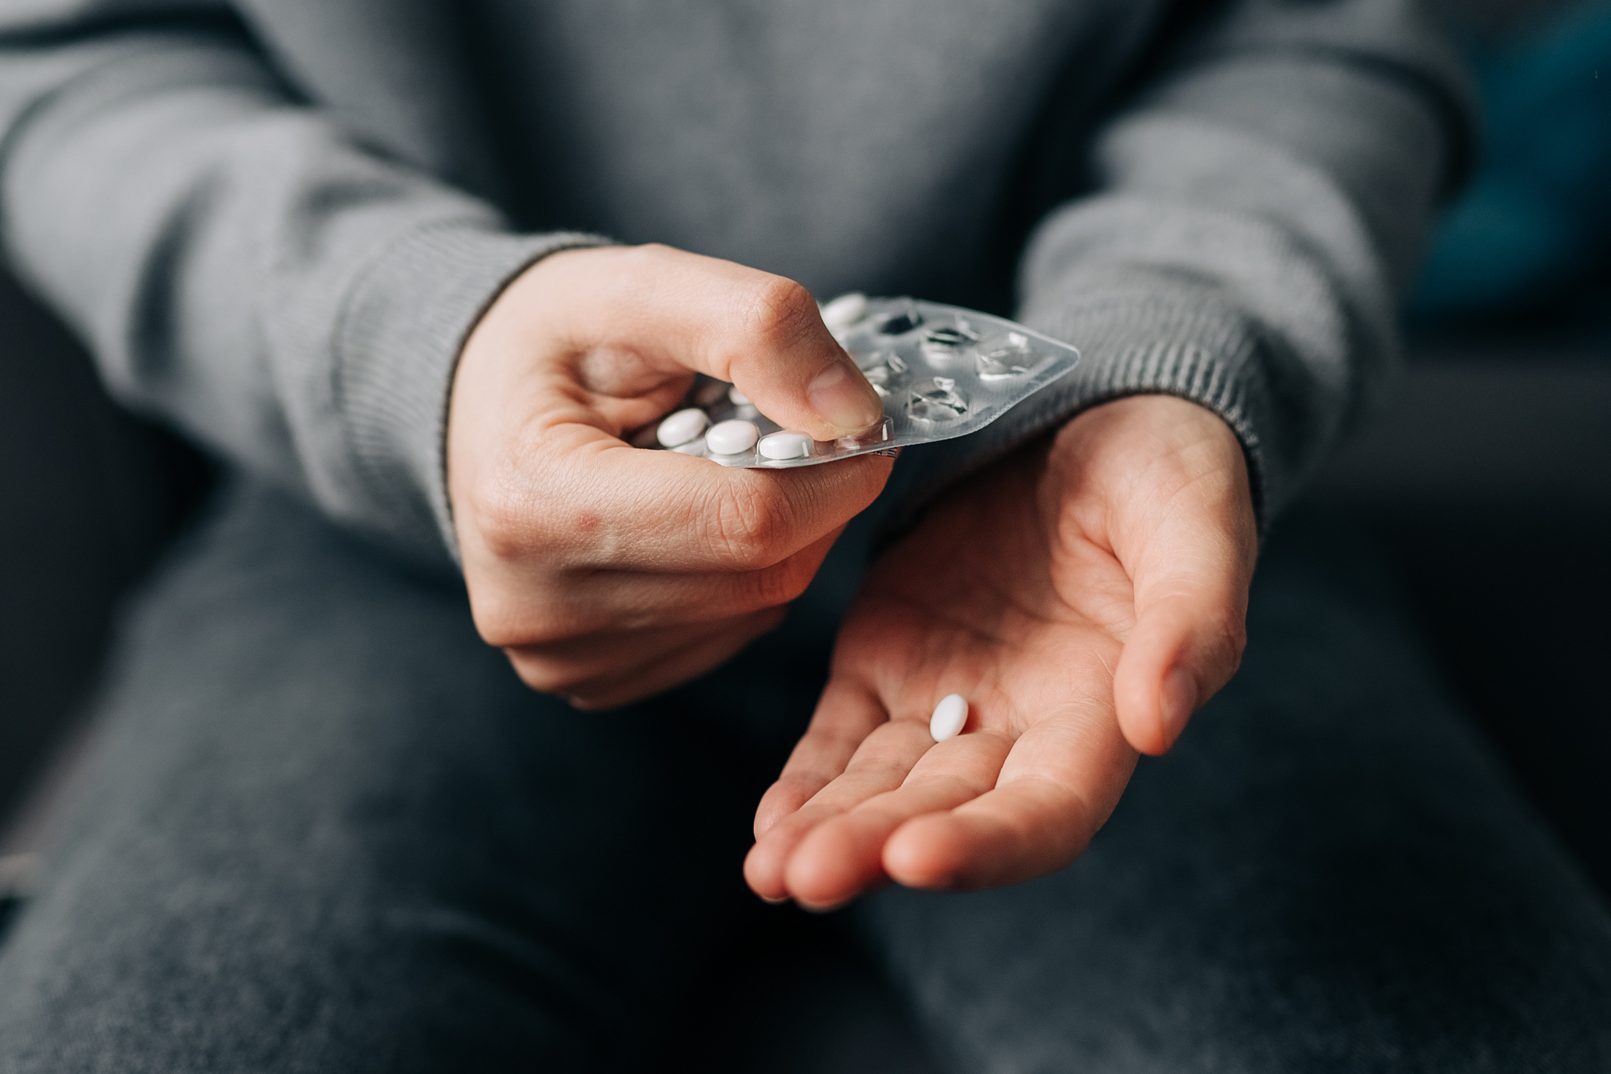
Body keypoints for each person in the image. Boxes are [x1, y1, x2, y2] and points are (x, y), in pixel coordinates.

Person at [1, 1, 1608, 1071]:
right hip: (385, 508)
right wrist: (416, 345)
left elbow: (1312, 31)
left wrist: (1173, 358)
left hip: (1090, 499)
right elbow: (73, 59)